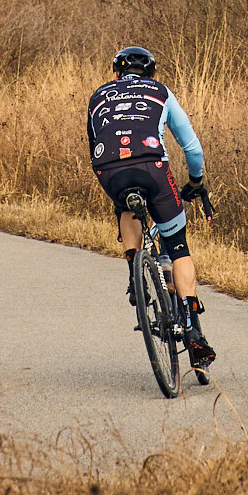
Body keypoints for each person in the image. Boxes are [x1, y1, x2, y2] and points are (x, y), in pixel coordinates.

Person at [85, 45, 215, 370]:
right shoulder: (160, 92)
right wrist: (196, 181)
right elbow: (192, 147)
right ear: (151, 74)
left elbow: (94, 143)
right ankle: (192, 329)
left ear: (116, 74)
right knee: (178, 247)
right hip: (152, 165)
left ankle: (134, 271)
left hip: (108, 167)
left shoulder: (98, 96)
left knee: (124, 205)